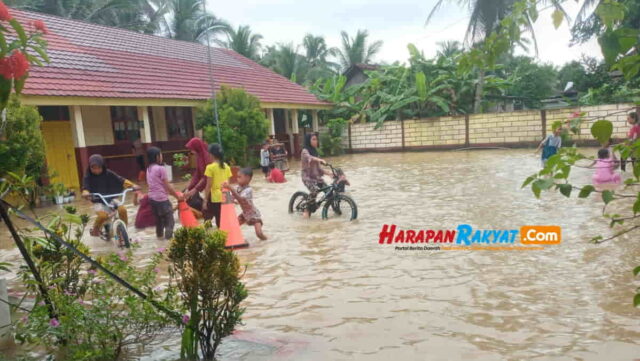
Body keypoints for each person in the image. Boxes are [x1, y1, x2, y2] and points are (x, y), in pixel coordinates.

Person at [81, 154, 138, 237]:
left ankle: (124, 231)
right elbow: (85, 187)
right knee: (102, 216)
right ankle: (95, 229)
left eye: (98, 167)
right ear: (90, 168)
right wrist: (85, 193)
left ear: (102, 166)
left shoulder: (108, 173)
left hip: (110, 198)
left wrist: (133, 185)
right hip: (98, 200)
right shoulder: (88, 177)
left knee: (123, 210)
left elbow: (121, 180)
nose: (96, 170)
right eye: (93, 168)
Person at [146, 147, 183, 240]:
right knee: (170, 222)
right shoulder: (161, 168)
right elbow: (167, 186)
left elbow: (156, 185)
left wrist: (170, 192)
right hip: (161, 200)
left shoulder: (148, 169)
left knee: (159, 223)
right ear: (157, 157)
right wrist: (177, 196)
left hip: (152, 199)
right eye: (161, 154)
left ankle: (159, 241)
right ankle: (168, 243)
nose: (162, 156)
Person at [223, 168, 267, 240]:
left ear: (247, 178)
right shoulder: (237, 188)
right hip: (245, 214)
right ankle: (237, 240)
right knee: (233, 227)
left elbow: (240, 199)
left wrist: (230, 188)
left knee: (259, 234)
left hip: (254, 215)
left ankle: (268, 241)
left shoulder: (249, 190)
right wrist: (224, 190)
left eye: (240, 177)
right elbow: (231, 198)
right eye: (237, 177)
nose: (237, 179)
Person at [301, 133, 332, 218]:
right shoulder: (305, 151)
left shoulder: (315, 152)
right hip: (307, 178)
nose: (316, 141)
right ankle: (306, 210)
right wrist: (319, 159)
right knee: (314, 190)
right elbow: (309, 158)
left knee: (329, 190)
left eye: (316, 139)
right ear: (309, 141)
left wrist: (329, 173)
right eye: (313, 139)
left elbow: (319, 169)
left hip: (316, 178)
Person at [203, 144, 232, 228]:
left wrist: (205, 200)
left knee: (208, 216)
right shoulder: (226, 166)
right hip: (226, 196)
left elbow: (208, 185)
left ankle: (211, 236)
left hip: (215, 197)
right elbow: (228, 184)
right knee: (224, 220)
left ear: (211, 155)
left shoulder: (210, 167)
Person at [183, 137, 212, 211]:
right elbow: (197, 174)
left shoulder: (207, 157)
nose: (191, 151)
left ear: (196, 148)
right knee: (185, 192)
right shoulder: (199, 156)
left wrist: (195, 189)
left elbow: (206, 177)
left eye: (192, 149)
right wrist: (189, 187)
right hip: (204, 182)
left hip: (210, 183)